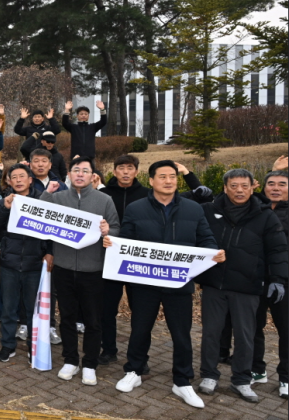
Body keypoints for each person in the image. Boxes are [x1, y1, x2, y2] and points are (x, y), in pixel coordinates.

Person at [109, 160, 223, 409]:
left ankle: (182, 381)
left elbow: (206, 239)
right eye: (162, 176)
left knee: (181, 334)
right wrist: (114, 243)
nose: (169, 181)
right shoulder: (136, 209)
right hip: (143, 283)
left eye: (172, 176)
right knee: (140, 329)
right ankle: (134, 371)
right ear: (151, 180)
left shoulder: (194, 209)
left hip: (179, 282)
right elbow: (126, 240)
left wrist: (213, 253)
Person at [194, 169, 288, 403]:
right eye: (234, 186)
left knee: (246, 336)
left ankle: (242, 380)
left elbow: (278, 250)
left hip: (249, 286)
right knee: (211, 333)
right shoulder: (209, 210)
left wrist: (278, 279)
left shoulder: (265, 215)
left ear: (252, 187)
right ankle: (209, 375)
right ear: (225, 188)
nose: (239, 190)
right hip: (214, 283)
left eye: (244, 186)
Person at [41, 156, 119, 386]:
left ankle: (90, 364)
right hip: (63, 267)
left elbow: (117, 228)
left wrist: (109, 230)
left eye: (85, 170)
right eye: (76, 170)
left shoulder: (104, 200)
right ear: (70, 174)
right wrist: (47, 192)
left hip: (93, 269)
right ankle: (70, 360)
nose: (80, 174)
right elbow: (37, 214)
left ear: (93, 175)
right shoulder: (58, 198)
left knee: (93, 320)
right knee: (67, 317)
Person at [0, 164, 52, 362]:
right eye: (13, 177)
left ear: (30, 179)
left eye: (22, 176)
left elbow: (52, 230)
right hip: (9, 263)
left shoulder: (42, 200)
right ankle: (8, 345)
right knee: (8, 309)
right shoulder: (5, 201)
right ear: (9, 181)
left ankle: (34, 347)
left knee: (33, 310)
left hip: (34, 263)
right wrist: (5, 209)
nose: (18, 180)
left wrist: (50, 252)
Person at [97, 155, 149, 366]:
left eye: (130, 168)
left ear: (136, 171)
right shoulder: (103, 195)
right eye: (121, 168)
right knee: (107, 309)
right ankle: (108, 349)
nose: (125, 172)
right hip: (109, 259)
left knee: (141, 311)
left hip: (138, 261)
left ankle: (139, 357)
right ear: (114, 171)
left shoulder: (148, 195)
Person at [251, 170, 288, 399]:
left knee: (286, 330)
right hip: (255, 281)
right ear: (263, 187)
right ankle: (257, 369)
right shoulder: (256, 211)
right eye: (271, 184)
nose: (276, 188)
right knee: (253, 328)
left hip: (284, 281)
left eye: (282, 184)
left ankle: (285, 377)